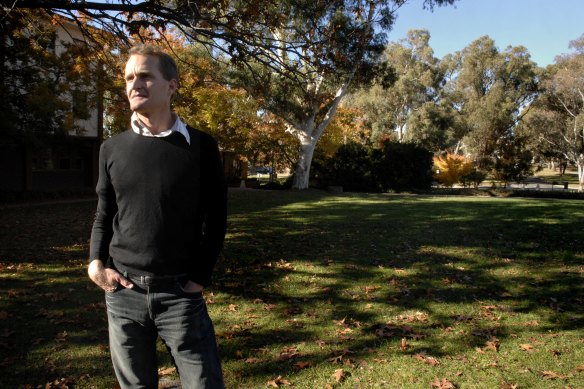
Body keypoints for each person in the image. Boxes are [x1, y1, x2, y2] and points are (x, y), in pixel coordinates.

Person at [88, 44, 227, 389]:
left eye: (145, 76)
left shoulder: (200, 147)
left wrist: (198, 279)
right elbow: (105, 212)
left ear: (172, 85)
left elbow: (217, 218)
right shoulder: (111, 149)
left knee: (203, 383)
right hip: (122, 292)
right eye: (129, 78)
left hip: (180, 292)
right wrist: (95, 262)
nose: (135, 84)